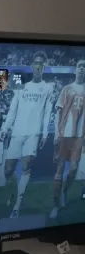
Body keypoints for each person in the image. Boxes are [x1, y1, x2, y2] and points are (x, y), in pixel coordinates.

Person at [0, 51, 54, 218]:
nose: (38, 66)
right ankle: (12, 193)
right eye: (36, 63)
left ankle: (17, 205)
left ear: (44, 67)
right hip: (17, 132)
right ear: (32, 66)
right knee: (8, 170)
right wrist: (5, 128)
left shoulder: (48, 88)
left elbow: (47, 112)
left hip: (33, 133)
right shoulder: (22, 87)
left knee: (25, 167)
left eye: (41, 64)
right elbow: (12, 109)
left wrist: (44, 133)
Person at [50, 59, 85, 218]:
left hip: (79, 137)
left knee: (73, 169)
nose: (82, 69)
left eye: (84, 67)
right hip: (64, 134)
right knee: (59, 170)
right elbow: (58, 111)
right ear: (75, 70)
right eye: (80, 66)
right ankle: (55, 205)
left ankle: (65, 190)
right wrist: (57, 133)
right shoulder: (67, 88)